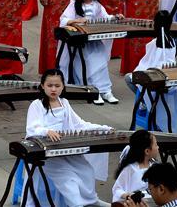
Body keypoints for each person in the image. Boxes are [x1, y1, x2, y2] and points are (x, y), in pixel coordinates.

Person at [24, 69, 112, 207]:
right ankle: (76, 204)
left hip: (66, 147)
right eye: (50, 85)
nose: (53, 89)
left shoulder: (64, 102)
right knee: (67, 178)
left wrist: (102, 128)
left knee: (86, 170)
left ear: (63, 86)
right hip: (48, 153)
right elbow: (32, 128)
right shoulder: (37, 104)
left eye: (57, 86)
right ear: (42, 86)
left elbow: (79, 124)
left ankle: (91, 200)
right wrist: (47, 131)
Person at [57, 0, 119, 104]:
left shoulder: (97, 5)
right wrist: (76, 20)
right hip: (80, 43)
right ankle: (94, 91)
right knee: (90, 62)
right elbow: (63, 20)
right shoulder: (74, 4)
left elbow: (105, 18)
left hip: (94, 41)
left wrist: (115, 17)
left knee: (100, 61)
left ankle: (106, 91)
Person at [111, 130, 159, 205]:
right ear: (147, 151)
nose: (158, 147)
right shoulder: (130, 169)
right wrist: (128, 195)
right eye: (156, 145)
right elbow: (117, 189)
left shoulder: (155, 166)